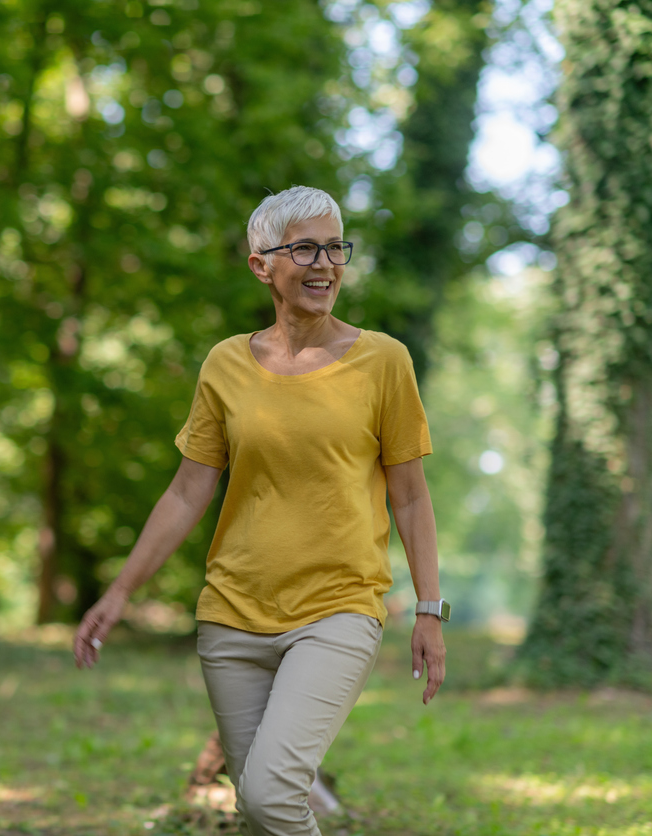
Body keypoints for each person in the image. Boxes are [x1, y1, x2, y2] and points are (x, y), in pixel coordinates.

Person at [73, 186, 447, 835]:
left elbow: (410, 496)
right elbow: (188, 490)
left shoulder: (383, 361)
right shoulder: (226, 364)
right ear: (261, 263)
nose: (325, 263)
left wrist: (428, 608)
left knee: (273, 795)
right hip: (232, 617)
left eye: (335, 247)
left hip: (337, 608)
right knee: (260, 811)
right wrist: (121, 591)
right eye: (305, 247)